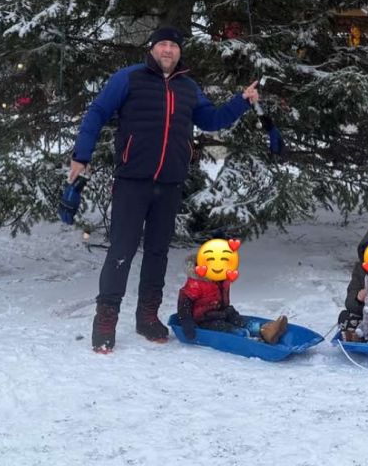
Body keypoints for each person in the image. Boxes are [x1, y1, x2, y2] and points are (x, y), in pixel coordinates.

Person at [68, 25, 260, 353]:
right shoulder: (128, 78)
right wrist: (80, 156)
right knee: (121, 251)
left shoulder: (188, 87)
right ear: (152, 48)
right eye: (162, 45)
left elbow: (211, 119)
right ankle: (106, 319)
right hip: (132, 182)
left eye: (174, 45)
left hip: (170, 183)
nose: (168, 50)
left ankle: (147, 316)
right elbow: (97, 112)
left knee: (157, 252)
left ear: (179, 51)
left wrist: (241, 102)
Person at [176, 237, 288, 344]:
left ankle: (265, 329)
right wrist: (187, 323)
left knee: (239, 320)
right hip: (204, 320)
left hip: (223, 313)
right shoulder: (196, 283)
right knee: (225, 328)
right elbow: (183, 304)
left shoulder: (221, 278)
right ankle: (248, 339)